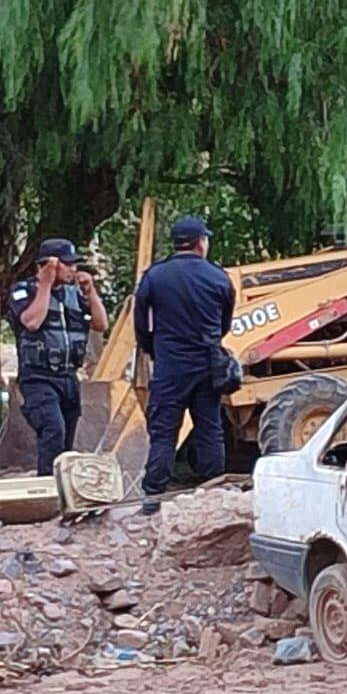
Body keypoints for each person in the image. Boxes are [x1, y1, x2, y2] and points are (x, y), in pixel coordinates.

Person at [134, 216, 236, 512]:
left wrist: (156, 349)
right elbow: (224, 324)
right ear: (200, 242)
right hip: (208, 366)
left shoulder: (155, 276)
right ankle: (213, 497)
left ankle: (152, 499)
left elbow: (141, 323)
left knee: (164, 431)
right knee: (210, 429)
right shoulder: (219, 277)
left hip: (169, 366)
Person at [7, 238, 108, 475]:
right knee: (53, 429)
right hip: (38, 378)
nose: (73, 269)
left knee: (65, 442)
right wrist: (45, 284)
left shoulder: (73, 295)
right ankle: (48, 487)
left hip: (68, 378)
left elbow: (101, 324)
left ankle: (64, 493)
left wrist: (90, 292)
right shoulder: (24, 291)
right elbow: (31, 322)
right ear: (48, 264)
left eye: (74, 264)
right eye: (67, 264)